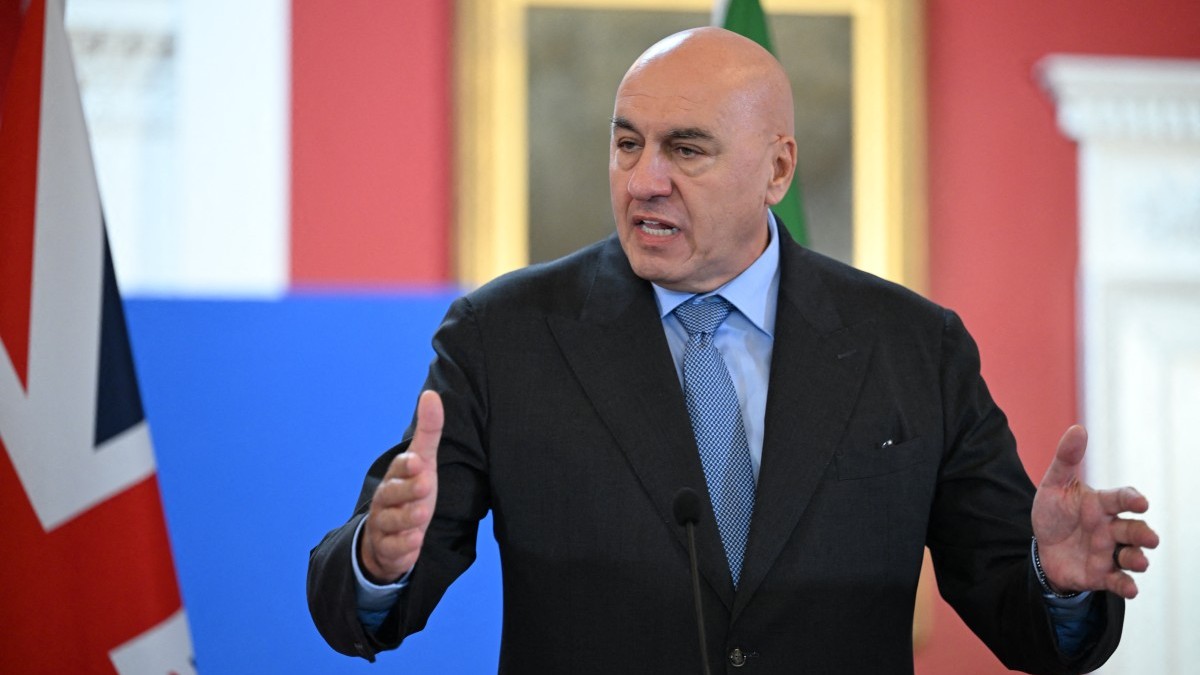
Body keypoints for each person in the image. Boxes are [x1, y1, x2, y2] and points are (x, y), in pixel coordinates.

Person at [307, 27, 1158, 673]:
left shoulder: (912, 348)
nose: (644, 179)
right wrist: (379, 559)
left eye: (686, 149)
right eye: (627, 141)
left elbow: (1025, 619)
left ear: (776, 169)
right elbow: (361, 603)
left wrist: (1058, 581)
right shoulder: (504, 337)